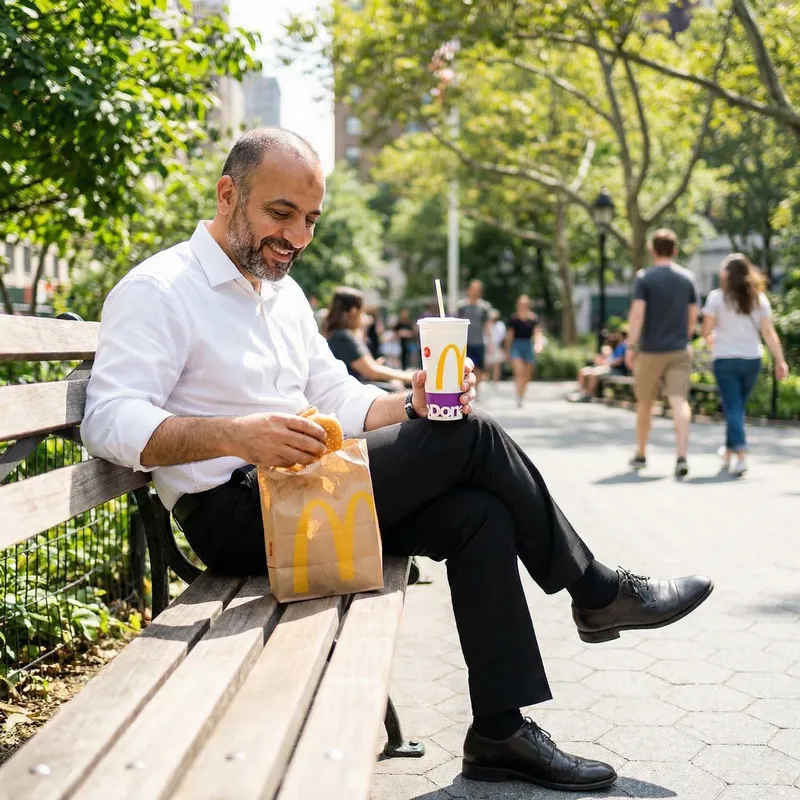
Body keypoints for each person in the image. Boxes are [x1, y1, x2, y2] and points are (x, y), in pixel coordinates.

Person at [82, 128, 713, 793]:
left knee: (478, 512)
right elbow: (109, 421)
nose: (296, 236)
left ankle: (500, 731)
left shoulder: (280, 294)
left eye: (310, 220)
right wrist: (237, 436)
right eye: (281, 213)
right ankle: (597, 591)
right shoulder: (160, 289)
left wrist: (407, 401)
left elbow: (335, 396)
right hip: (240, 519)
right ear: (226, 193)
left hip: (308, 493)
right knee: (473, 437)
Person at [702, 253, 789, 476]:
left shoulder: (716, 298)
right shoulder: (759, 299)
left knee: (733, 407)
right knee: (736, 407)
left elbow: (705, 330)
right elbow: (768, 332)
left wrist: (711, 340)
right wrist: (780, 360)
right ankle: (729, 451)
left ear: (727, 275)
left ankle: (740, 454)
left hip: (725, 359)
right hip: (752, 359)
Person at [625, 229, 699, 478]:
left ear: (653, 250)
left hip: (650, 351)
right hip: (679, 349)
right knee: (679, 401)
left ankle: (641, 453)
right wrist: (684, 337)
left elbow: (637, 315)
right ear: (675, 250)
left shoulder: (644, 278)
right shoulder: (687, 278)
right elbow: (693, 317)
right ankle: (681, 456)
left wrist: (631, 345)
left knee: (645, 403)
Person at [325, 287, 414, 391]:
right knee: (398, 391)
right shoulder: (343, 337)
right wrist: (409, 376)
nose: (364, 317)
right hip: (356, 393)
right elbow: (371, 371)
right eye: (362, 312)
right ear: (353, 311)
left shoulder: (336, 335)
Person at [505, 295, 544, 408]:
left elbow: (538, 333)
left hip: (528, 346)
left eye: (525, 305)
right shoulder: (514, 319)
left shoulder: (533, 319)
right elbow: (510, 335)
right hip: (516, 346)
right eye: (521, 304)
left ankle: (522, 394)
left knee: (527, 374)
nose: (522, 307)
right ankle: (518, 395)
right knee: (519, 371)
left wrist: (538, 345)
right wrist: (507, 349)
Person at [569, 331, 628, 403]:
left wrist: (607, 363)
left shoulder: (625, 346)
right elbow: (609, 357)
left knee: (593, 374)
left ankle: (589, 395)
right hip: (607, 367)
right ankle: (581, 392)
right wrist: (602, 360)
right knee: (583, 371)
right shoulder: (617, 346)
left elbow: (620, 360)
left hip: (616, 370)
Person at [458, 279, 492, 386]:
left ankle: (477, 390)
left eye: (477, 290)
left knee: (479, 368)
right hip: (464, 342)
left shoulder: (484, 307)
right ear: (468, 290)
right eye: (473, 289)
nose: (474, 292)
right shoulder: (461, 306)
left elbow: (487, 325)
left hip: (478, 342)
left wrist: (490, 341)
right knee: (464, 367)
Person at [486, 308, 507, 384]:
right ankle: (487, 378)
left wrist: (503, 348)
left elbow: (503, 336)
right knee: (487, 363)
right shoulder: (487, 324)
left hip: (497, 345)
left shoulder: (500, 325)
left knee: (496, 364)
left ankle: (495, 380)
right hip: (488, 345)